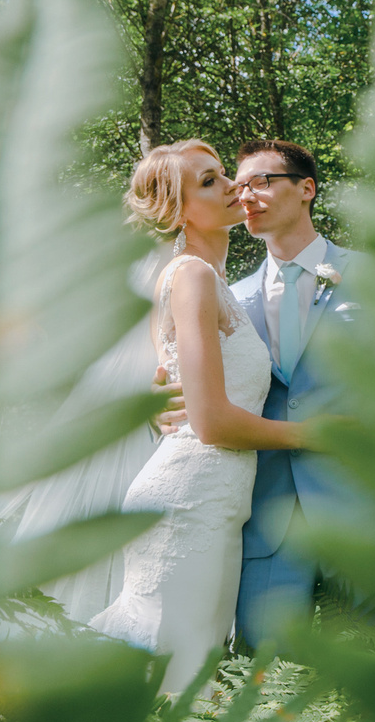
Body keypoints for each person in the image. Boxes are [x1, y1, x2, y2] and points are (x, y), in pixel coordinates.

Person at [88, 139, 308, 692]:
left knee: (190, 671)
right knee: (172, 672)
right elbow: (211, 423)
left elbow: (164, 379)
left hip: (216, 501)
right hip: (189, 501)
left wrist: (158, 396)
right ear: (179, 210)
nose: (235, 186)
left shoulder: (207, 282)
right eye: (210, 182)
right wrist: (317, 435)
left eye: (222, 175)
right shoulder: (190, 276)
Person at [228, 139, 360, 648]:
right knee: (262, 687)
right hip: (265, 521)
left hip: (365, 512)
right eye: (239, 187)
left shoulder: (373, 277)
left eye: (261, 181)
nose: (246, 196)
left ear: (306, 189)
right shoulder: (230, 299)